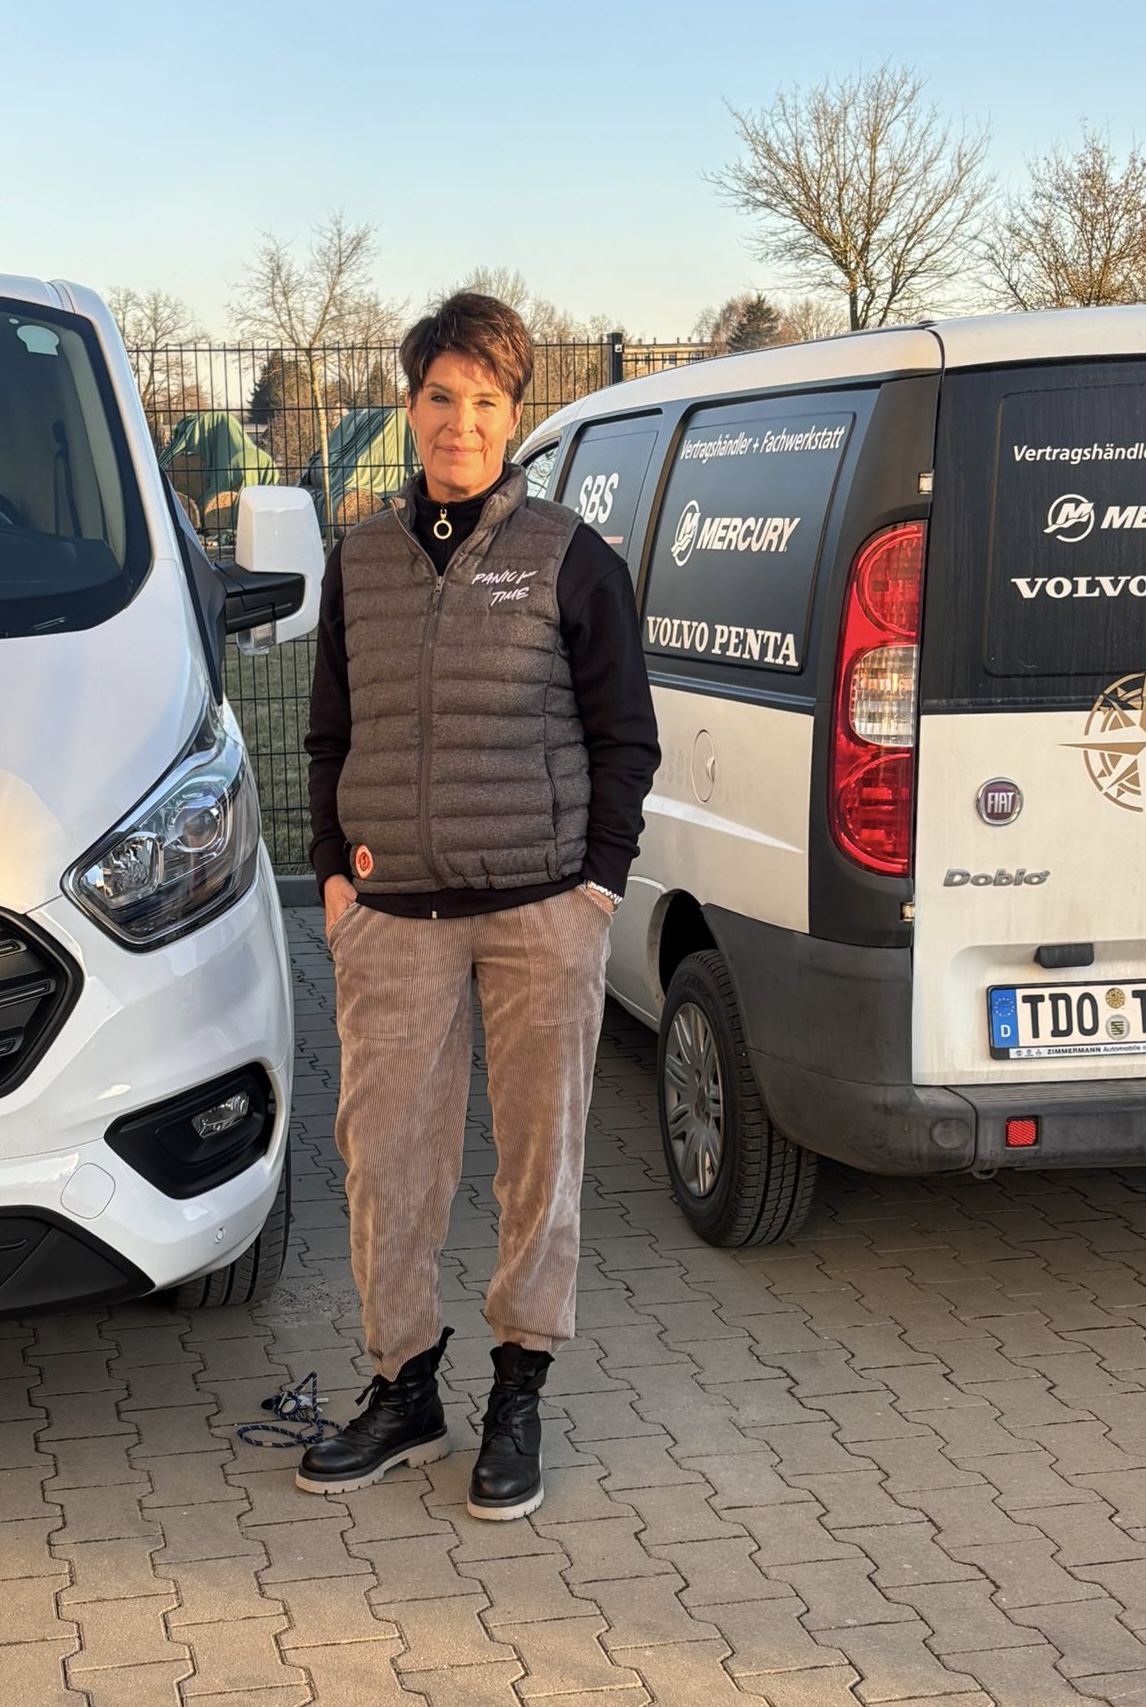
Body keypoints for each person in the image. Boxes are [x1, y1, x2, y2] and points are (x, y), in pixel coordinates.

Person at [297, 292, 660, 1520]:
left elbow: (625, 736)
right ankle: (404, 1387)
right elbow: (327, 733)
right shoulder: (359, 560)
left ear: (514, 416)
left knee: (538, 1161)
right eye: (440, 397)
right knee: (385, 1160)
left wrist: (597, 885)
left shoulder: (569, 556)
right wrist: (333, 876)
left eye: (486, 401)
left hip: (539, 913)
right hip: (392, 915)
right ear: (411, 408)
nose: (461, 422)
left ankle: (520, 1385)